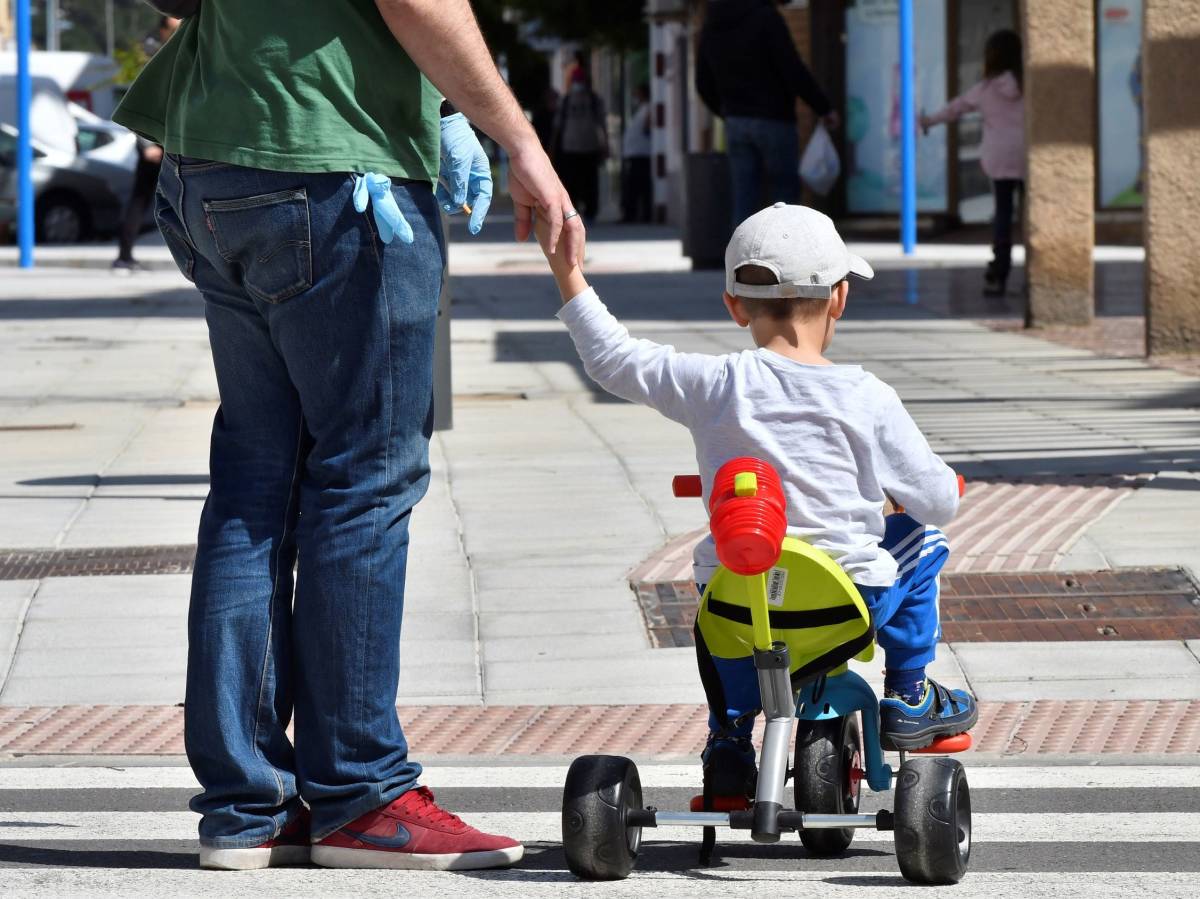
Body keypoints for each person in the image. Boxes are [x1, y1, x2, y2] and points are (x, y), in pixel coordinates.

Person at [112, 0, 583, 872]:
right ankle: (362, 794)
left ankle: (247, 805)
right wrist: (517, 135)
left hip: (207, 158)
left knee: (256, 481)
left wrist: (434, 108)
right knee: (365, 479)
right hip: (330, 166)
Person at [533, 202, 977, 797]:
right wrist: (924, 493)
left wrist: (569, 271)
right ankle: (909, 693)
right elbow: (936, 500)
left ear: (734, 305)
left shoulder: (712, 384)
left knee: (720, 623)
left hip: (739, 597)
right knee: (926, 541)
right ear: (840, 298)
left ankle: (730, 739)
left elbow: (614, 359)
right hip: (845, 601)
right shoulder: (868, 397)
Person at [697, 0, 839, 228]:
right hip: (774, 120)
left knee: (744, 198)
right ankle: (785, 257)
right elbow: (792, 68)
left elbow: (702, 83)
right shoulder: (766, 17)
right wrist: (823, 107)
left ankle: (741, 261)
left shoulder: (712, 23)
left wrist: (727, 112)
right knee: (784, 198)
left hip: (736, 121)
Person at [921, 29, 1024, 297]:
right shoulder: (1029, 86)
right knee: (1034, 218)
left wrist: (929, 120)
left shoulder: (986, 89)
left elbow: (956, 108)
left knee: (1003, 216)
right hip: (1029, 159)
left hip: (999, 159)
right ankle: (1039, 273)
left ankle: (998, 273)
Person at [112, 15, 180, 274]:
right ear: (162, 30)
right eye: (172, 28)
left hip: (173, 141)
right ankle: (123, 256)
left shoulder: (182, 49)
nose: (176, 33)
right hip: (154, 144)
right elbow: (142, 101)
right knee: (140, 200)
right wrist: (146, 144)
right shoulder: (153, 56)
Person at [553, 66, 607, 224]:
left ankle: (588, 211)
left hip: (587, 146)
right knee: (574, 182)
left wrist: (604, 145)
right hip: (573, 147)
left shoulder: (593, 100)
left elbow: (602, 124)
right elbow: (558, 126)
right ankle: (575, 211)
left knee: (588, 182)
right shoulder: (567, 100)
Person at [620, 84, 652, 224]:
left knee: (636, 186)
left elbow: (647, 127)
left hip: (641, 153)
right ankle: (633, 213)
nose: (635, 96)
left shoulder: (649, 108)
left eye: (638, 92)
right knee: (634, 186)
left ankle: (636, 214)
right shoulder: (642, 108)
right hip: (636, 152)